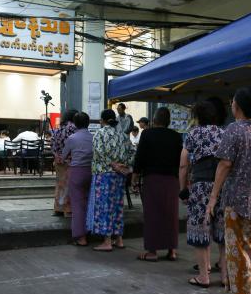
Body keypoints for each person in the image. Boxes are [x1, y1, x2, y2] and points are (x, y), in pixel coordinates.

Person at [206, 88, 251, 294]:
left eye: (233, 101)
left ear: (238, 106)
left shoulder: (234, 129)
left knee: (238, 249)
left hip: (237, 200)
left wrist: (213, 196)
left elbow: (224, 164)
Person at [179, 101, 225, 287]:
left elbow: (183, 164)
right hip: (222, 185)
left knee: (200, 229)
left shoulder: (193, 134)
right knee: (222, 230)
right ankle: (225, 276)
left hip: (200, 186)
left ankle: (204, 276)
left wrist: (183, 189)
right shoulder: (224, 133)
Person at [133, 107, 183, 262]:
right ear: (168, 121)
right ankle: (172, 250)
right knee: (171, 214)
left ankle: (152, 251)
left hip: (153, 178)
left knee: (152, 214)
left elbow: (140, 157)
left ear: (154, 120)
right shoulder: (176, 137)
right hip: (172, 180)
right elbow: (180, 160)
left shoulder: (147, 134)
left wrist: (134, 177)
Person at [86, 109, 134, 252]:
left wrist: (113, 164)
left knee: (104, 207)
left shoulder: (99, 133)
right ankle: (119, 239)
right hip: (119, 176)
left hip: (103, 174)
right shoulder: (123, 135)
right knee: (118, 206)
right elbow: (132, 152)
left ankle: (107, 241)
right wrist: (124, 165)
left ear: (102, 120)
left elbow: (99, 152)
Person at [62, 112, 93, 246]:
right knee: (89, 203)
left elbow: (63, 156)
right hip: (92, 171)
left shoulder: (72, 138)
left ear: (75, 124)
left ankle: (81, 237)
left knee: (77, 205)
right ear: (88, 123)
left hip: (77, 171)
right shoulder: (94, 137)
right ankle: (91, 230)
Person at [51, 110, 78, 217]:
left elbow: (52, 144)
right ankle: (68, 210)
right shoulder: (74, 128)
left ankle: (58, 209)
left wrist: (56, 155)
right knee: (69, 186)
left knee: (60, 185)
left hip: (58, 161)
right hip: (70, 160)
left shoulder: (58, 129)